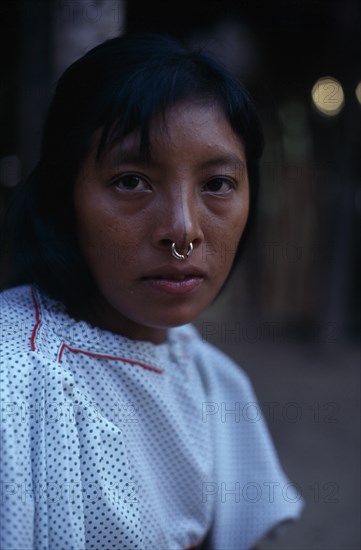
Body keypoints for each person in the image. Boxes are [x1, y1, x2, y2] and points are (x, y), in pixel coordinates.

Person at [0, 33, 303, 549]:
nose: (183, 230)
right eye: (131, 181)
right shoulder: (14, 381)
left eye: (217, 184)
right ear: (63, 195)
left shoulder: (209, 375)